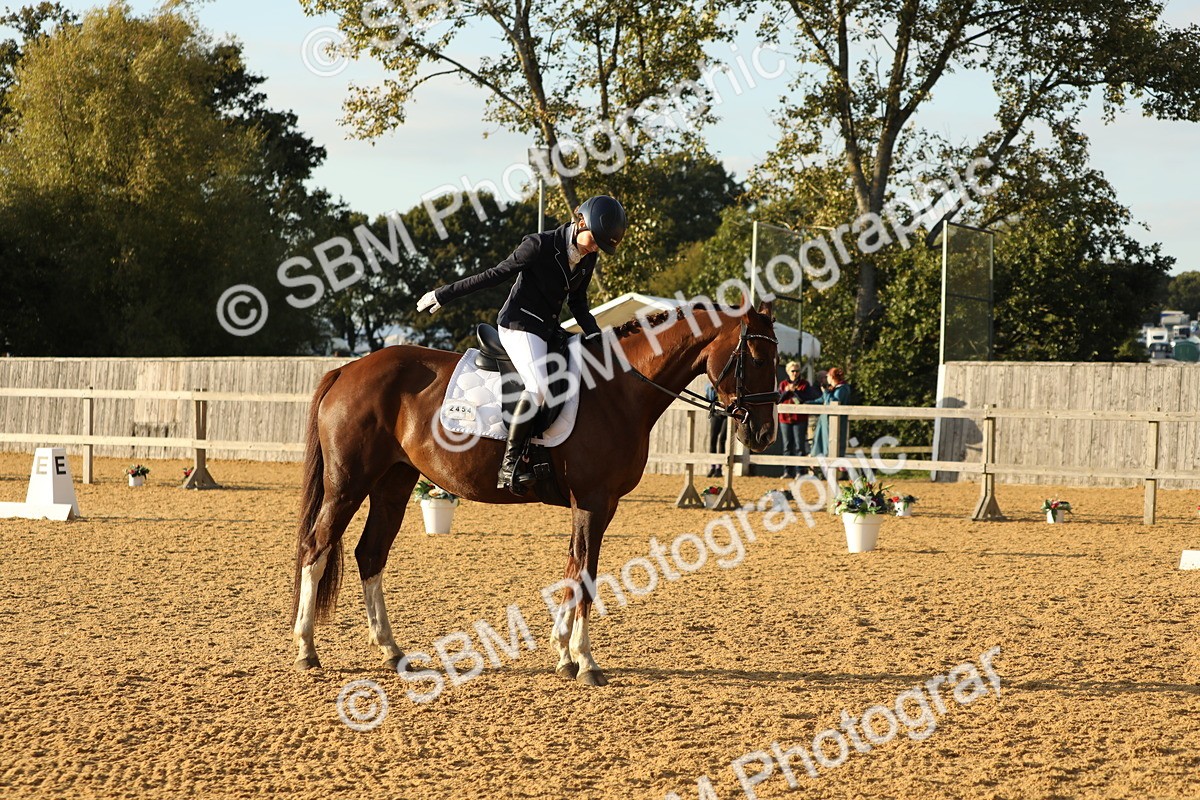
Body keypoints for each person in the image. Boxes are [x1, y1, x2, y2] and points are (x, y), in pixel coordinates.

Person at [416, 195, 627, 494]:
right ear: (580, 222)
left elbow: (578, 304)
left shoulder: (587, 257)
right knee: (537, 387)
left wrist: (596, 336)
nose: (595, 248)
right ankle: (510, 463)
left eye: (601, 246)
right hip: (519, 325)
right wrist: (444, 294)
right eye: (595, 240)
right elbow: (494, 275)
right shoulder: (539, 245)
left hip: (548, 329)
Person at [807, 366, 853, 468]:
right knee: (820, 443)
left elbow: (832, 402)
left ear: (832, 377)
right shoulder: (833, 388)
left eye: (828, 376)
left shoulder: (842, 389)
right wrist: (806, 403)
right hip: (825, 422)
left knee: (832, 445)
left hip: (834, 423)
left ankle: (835, 466)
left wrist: (826, 392)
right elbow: (821, 400)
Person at [777, 361, 814, 478]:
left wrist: (795, 391)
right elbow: (779, 399)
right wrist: (787, 391)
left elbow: (805, 398)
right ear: (788, 372)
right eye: (792, 371)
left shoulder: (805, 384)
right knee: (787, 446)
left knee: (800, 446)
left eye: (797, 371)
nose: (795, 373)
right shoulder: (783, 384)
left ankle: (800, 471)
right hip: (785, 419)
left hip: (800, 419)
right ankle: (787, 471)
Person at [705, 382, 726, 477]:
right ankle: (712, 466)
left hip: (726, 415)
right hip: (716, 413)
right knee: (713, 439)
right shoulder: (710, 387)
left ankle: (719, 468)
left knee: (722, 439)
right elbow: (708, 398)